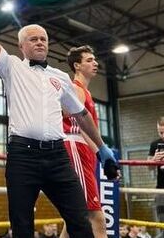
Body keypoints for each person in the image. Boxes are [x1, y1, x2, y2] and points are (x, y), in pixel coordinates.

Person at [0, 0, 119, 237]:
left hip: (58, 157)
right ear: (21, 45)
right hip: (22, 156)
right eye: (33, 39)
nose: (39, 42)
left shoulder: (59, 77)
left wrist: (102, 149)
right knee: (22, 225)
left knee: (80, 221)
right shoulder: (11, 66)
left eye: (43, 39)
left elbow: (81, 114)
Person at [60, 45, 108, 238]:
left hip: (84, 150)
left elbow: (85, 128)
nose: (95, 63)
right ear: (77, 66)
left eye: (94, 59)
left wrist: (101, 153)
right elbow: (76, 122)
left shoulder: (85, 92)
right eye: (89, 60)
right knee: (96, 216)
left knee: (73, 218)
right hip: (75, 147)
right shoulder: (76, 88)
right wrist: (102, 151)